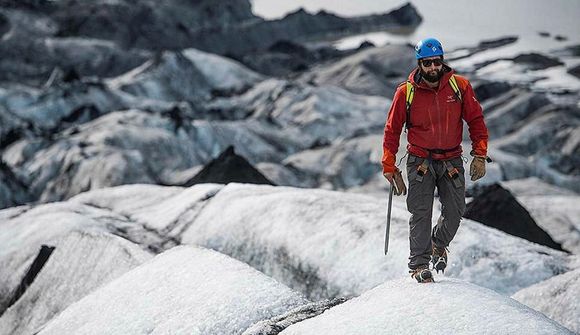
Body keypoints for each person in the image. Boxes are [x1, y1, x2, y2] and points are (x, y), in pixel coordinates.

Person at [381, 38, 489, 283]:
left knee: (456, 211)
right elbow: (392, 130)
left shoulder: (459, 87)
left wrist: (479, 155)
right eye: (427, 63)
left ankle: (438, 243)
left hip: (451, 160)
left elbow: (476, 121)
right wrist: (389, 165)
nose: (432, 68)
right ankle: (419, 265)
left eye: (436, 62)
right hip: (420, 161)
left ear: (442, 61)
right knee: (420, 212)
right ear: (419, 63)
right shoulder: (405, 92)